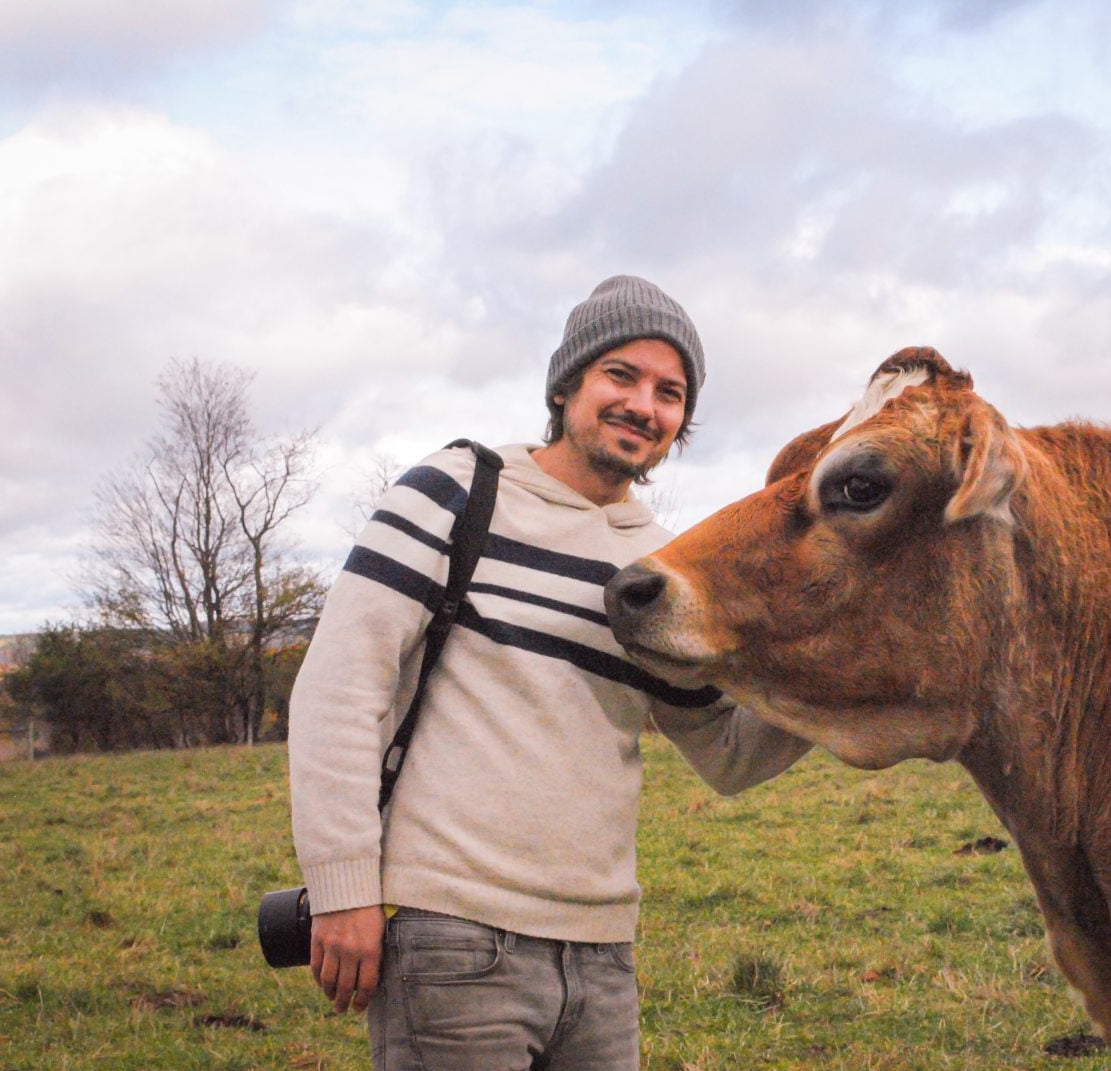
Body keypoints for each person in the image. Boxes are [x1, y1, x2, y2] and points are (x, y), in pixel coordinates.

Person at [287, 275, 811, 1070]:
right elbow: (339, 688)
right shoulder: (458, 490)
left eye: (671, 393)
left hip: (603, 956)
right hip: (454, 940)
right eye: (622, 375)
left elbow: (728, 750)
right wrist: (342, 888)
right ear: (567, 384)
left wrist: (855, 679)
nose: (645, 405)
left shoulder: (658, 565)